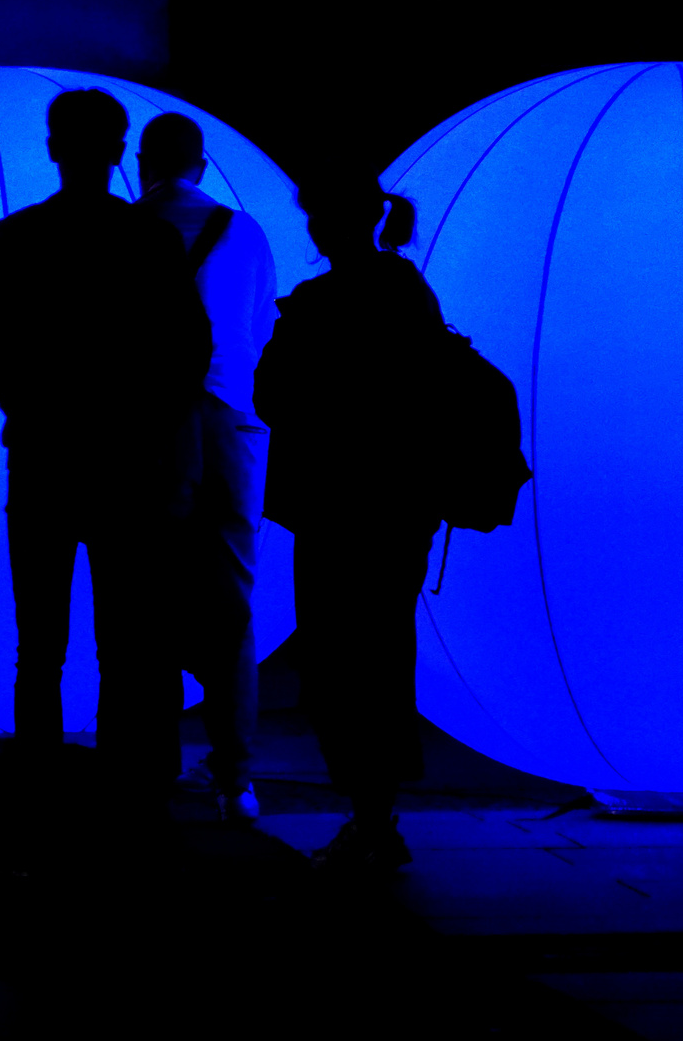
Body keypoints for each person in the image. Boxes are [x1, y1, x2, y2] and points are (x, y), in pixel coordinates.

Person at [0, 89, 211, 809]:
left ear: (52, 147)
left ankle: (39, 779)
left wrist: (30, 398)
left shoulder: (16, 237)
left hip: (41, 454)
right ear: (116, 149)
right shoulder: (149, 241)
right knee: (124, 637)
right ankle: (119, 785)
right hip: (126, 462)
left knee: (38, 641)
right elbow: (189, 351)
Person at [253, 164, 445, 871]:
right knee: (384, 653)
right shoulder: (406, 293)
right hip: (398, 505)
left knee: (337, 658)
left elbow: (270, 397)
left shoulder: (315, 304)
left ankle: (366, 813)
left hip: (333, 507)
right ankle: (376, 812)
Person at [133, 113, 278, 822]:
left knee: (146, 600)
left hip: (146, 430)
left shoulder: (123, 232)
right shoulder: (244, 232)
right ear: (201, 163)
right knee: (230, 605)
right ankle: (235, 775)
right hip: (229, 427)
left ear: (142, 162)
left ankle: (152, 766)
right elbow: (259, 336)